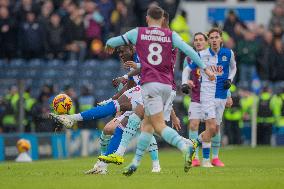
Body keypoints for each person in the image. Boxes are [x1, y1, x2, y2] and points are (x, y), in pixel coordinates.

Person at [104, 5, 214, 176]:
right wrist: (205, 68)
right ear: (162, 19)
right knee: (145, 124)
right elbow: (189, 51)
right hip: (167, 84)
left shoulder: (139, 32)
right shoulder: (171, 35)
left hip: (150, 84)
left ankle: (186, 146)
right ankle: (130, 162)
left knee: (156, 126)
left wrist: (109, 44)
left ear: (148, 18)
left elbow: (113, 42)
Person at [182, 32, 232, 167]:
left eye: (201, 40)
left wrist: (228, 95)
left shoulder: (211, 57)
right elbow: (186, 75)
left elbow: (222, 76)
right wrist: (187, 83)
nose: (198, 42)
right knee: (193, 125)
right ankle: (195, 158)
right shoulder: (188, 59)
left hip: (212, 96)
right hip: (196, 98)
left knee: (214, 128)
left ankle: (214, 157)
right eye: (196, 40)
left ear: (206, 42)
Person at [194, 28, 237, 167]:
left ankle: (211, 155)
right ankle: (205, 160)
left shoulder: (228, 53)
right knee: (210, 127)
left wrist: (230, 82)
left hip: (222, 95)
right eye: (211, 38)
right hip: (207, 95)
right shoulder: (202, 55)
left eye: (216, 37)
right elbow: (192, 70)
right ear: (209, 40)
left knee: (216, 129)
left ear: (221, 39)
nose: (213, 40)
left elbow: (233, 68)